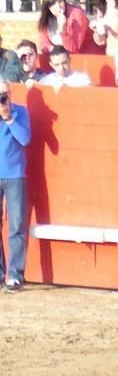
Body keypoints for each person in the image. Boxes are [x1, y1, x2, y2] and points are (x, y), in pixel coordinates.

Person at [0, 76, 31, 293]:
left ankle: (15, 275)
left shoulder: (20, 111)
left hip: (15, 174)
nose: (2, 98)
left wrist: (9, 119)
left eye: (4, 94)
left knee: (17, 225)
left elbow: (25, 139)